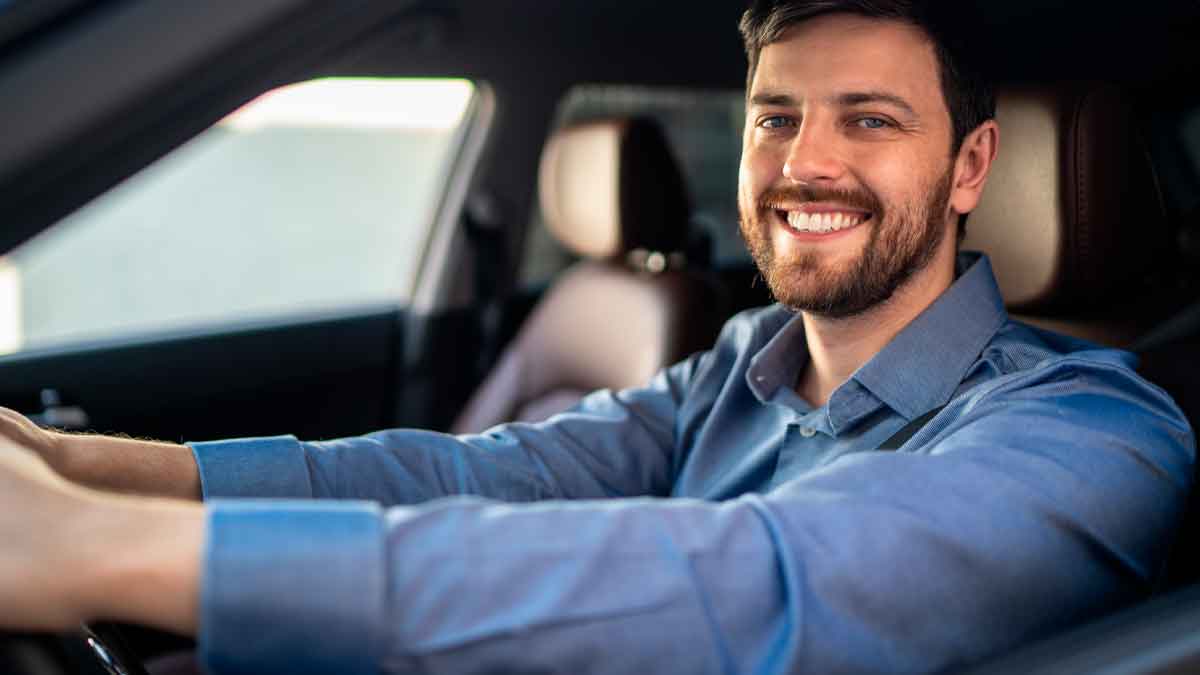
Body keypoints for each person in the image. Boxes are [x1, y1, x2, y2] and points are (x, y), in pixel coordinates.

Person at [0, 0, 1193, 672]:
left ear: (971, 165)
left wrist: (108, 551)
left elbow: (766, 585)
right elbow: (483, 475)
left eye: (869, 122)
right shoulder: (742, 366)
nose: (804, 164)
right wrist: (84, 471)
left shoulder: (1094, 429)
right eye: (774, 118)